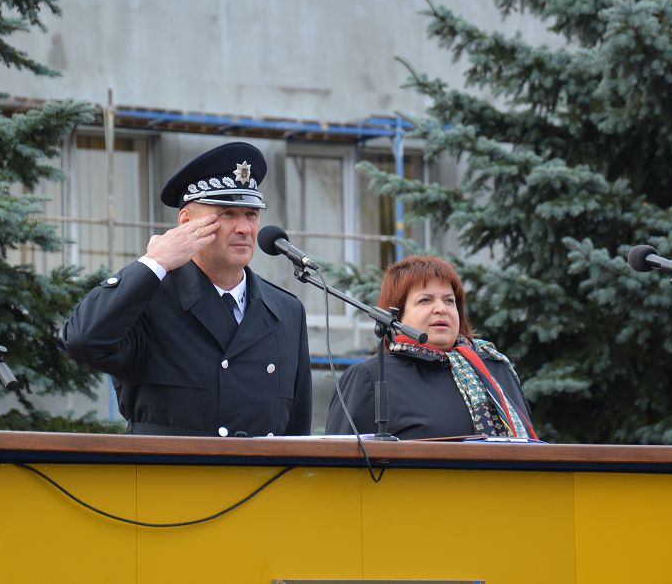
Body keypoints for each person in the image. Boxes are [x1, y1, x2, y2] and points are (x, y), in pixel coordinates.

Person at [64, 142, 312, 437]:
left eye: (251, 214)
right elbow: (83, 340)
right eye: (227, 213)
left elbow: (297, 431)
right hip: (169, 466)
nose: (244, 228)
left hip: (259, 468)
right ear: (186, 222)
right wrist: (154, 263)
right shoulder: (149, 299)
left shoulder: (286, 311)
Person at [326, 255, 537, 440]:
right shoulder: (371, 376)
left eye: (449, 300)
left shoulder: (495, 369)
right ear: (396, 315)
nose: (441, 309)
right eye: (425, 300)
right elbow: (340, 462)